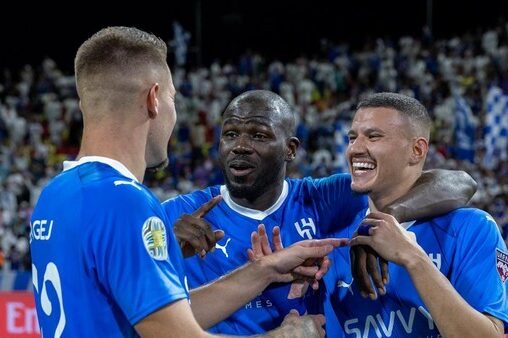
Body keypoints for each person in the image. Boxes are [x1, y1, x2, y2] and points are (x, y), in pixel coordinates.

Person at [29, 26, 343, 338]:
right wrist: (288, 336)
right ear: (153, 99)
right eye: (172, 98)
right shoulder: (125, 202)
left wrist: (265, 270)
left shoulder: (56, 194)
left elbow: (161, 320)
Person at [162, 90, 477, 335]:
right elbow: (137, 313)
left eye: (258, 135)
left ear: (291, 149)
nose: (240, 146)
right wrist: (165, 251)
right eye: (230, 134)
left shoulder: (325, 198)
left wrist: (383, 220)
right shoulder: (178, 215)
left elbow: (458, 182)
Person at [318, 92, 507, 336]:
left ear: (417, 150)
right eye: (352, 138)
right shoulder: (334, 232)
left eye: (373, 136)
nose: (355, 148)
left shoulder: (469, 227)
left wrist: (413, 258)